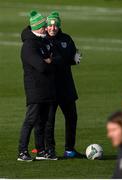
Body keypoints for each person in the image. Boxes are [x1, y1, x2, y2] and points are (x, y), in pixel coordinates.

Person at [35, 11, 83, 159]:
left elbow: (74, 56)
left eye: (55, 25)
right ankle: (50, 150)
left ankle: (69, 149)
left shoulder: (66, 39)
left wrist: (70, 59)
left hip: (67, 86)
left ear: (59, 26)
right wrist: (64, 59)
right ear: (46, 26)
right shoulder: (42, 41)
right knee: (49, 121)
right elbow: (51, 60)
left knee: (72, 118)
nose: (52, 28)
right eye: (50, 25)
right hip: (50, 88)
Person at [17, 10, 55, 161]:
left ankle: (40, 150)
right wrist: (48, 61)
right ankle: (22, 151)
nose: (46, 28)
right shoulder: (29, 45)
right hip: (35, 88)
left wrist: (49, 61)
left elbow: (52, 61)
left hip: (45, 88)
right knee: (31, 120)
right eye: (44, 26)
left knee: (43, 121)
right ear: (37, 27)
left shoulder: (43, 41)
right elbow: (42, 66)